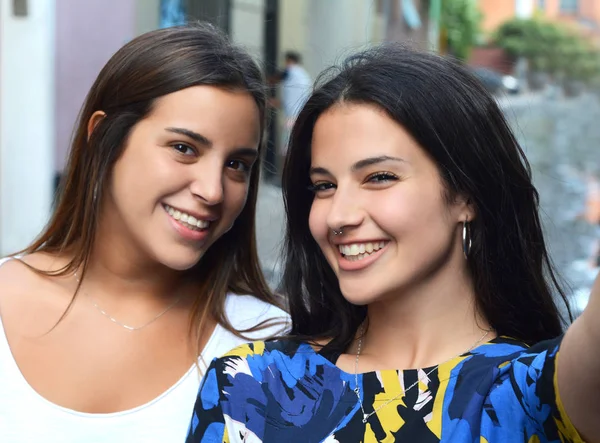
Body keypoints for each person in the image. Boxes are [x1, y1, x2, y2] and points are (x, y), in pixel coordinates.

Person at [186, 44, 600, 442]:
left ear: (466, 195)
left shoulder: (535, 397)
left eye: (379, 177)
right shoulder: (249, 383)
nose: (339, 216)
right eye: (324, 186)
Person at [0, 23, 288, 442]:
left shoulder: (268, 343)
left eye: (236, 165)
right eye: (184, 148)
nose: (211, 190)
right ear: (102, 138)